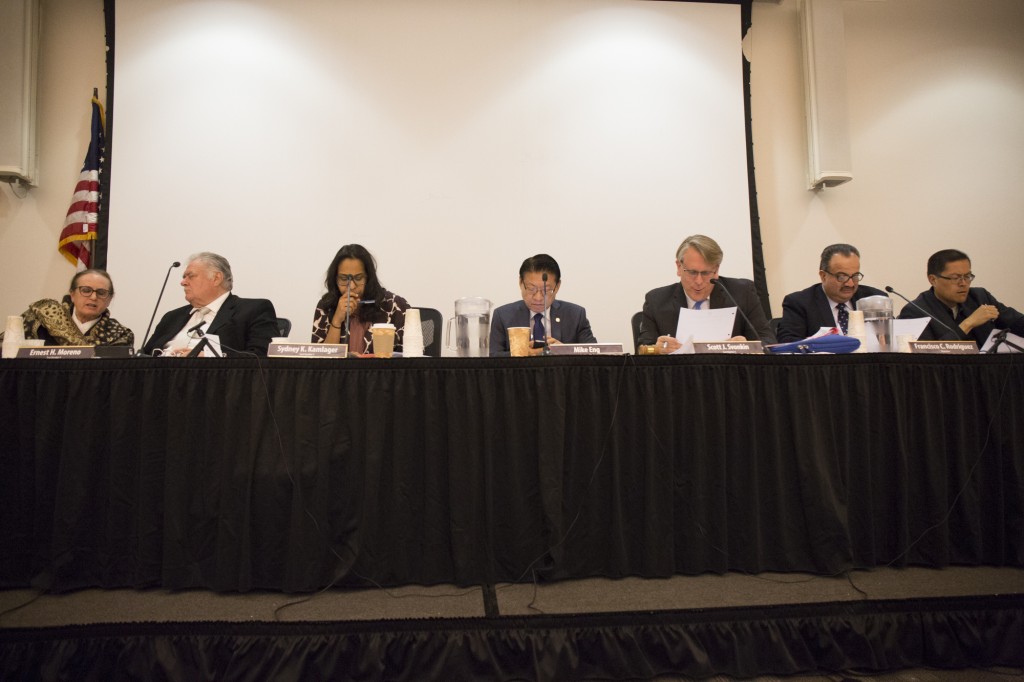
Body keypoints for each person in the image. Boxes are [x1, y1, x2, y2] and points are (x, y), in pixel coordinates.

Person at [637, 234, 773, 353]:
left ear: (716, 270)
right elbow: (641, 348)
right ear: (679, 267)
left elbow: (768, 341)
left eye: (706, 273)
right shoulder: (656, 300)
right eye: (692, 272)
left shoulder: (742, 293)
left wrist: (748, 346)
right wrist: (656, 348)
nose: (699, 281)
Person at [142, 252, 279, 356]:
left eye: (190, 276)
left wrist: (208, 357)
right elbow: (144, 356)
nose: (183, 282)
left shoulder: (253, 310)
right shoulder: (172, 317)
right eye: (183, 277)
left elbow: (261, 356)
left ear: (216, 278)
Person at [897, 249, 1024, 346]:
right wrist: (968, 323)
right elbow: (927, 357)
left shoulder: (979, 297)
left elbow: (1018, 323)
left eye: (967, 276)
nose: (963, 283)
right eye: (955, 278)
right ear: (933, 279)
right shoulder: (915, 312)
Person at [489, 254, 597, 357]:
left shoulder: (576, 315)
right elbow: (493, 358)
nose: (538, 298)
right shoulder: (503, 316)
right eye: (531, 289)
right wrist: (525, 354)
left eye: (546, 290)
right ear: (521, 283)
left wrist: (564, 351)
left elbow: (595, 354)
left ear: (557, 286)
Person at [776, 243, 887, 343]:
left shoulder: (874, 299)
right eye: (842, 276)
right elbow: (788, 342)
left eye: (855, 276)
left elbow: (888, 339)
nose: (850, 284)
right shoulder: (800, 303)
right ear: (823, 276)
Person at [311, 244, 410, 354]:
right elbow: (320, 362)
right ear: (335, 279)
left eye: (358, 278)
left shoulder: (395, 306)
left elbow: (413, 360)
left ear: (368, 278)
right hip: (340, 372)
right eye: (344, 279)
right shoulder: (326, 306)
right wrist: (337, 319)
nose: (352, 286)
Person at [1, 268, 134, 347]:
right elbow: (6, 348)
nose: (93, 297)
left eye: (101, 293)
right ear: (72, 294)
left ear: (109, 300)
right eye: (86, 290)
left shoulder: (120, 335)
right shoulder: (40, 317)